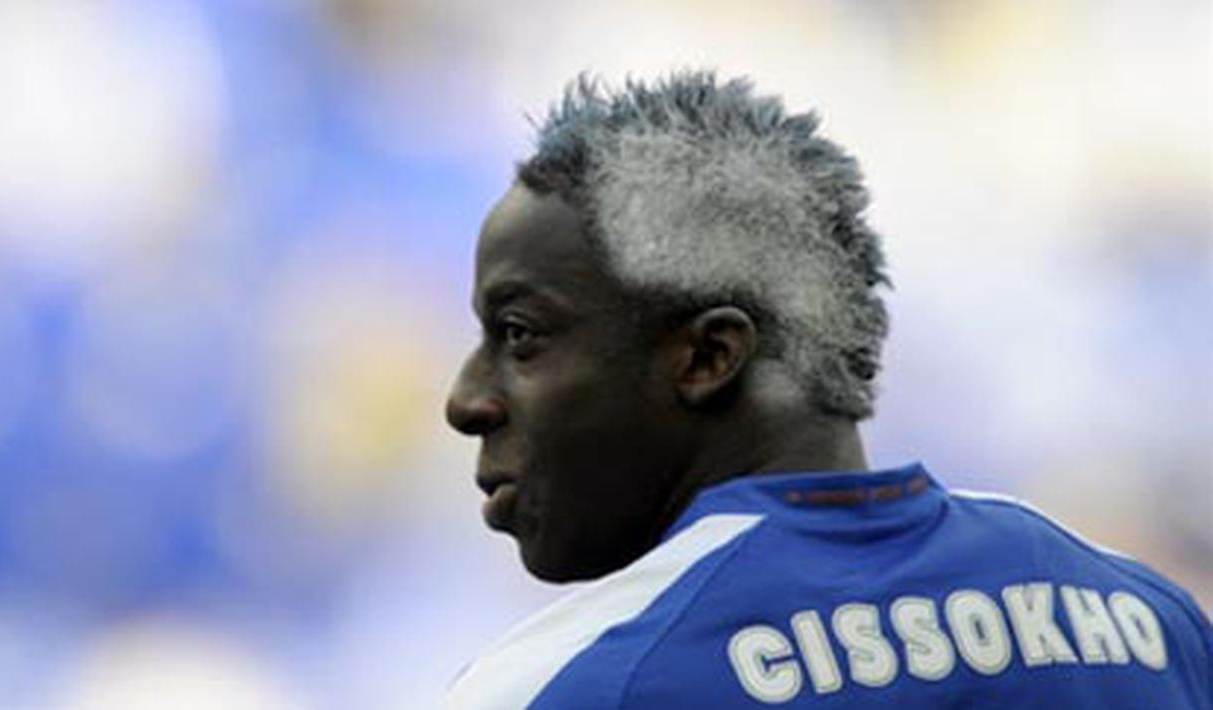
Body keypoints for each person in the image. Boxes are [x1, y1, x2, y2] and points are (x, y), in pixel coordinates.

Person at [442, 71, 1211, 709]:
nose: (466, 399)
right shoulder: (1144, 624)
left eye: (518, 336)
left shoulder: (567, 685)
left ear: (708, 356)